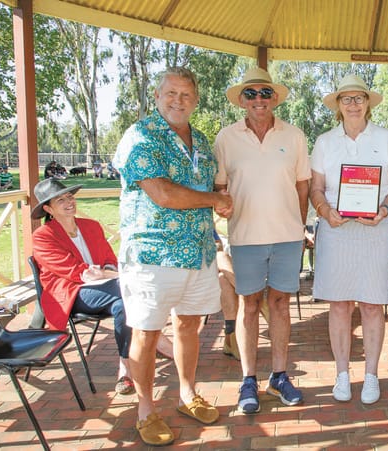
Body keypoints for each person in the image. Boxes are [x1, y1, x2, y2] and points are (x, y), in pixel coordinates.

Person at [113, 67, 232, 446]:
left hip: (197, 252)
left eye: (185, 95)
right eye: (171, 94)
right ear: (158, 96)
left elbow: (214, 184)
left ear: (195, 101)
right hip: (152, 254)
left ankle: (186, 393)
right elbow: (162, 193)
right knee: (146, 333)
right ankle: (145, 410)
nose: (178, 101)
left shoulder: (201, 140)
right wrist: (215, 200)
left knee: (189, 326)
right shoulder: (141, 135)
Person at [214, 67, 310, 414]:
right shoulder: (226, 138)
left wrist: (298, 227)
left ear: (275, 98)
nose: (259, 99)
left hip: (287, 237)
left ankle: (280, 376)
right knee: (249, 305)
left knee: (281, 305)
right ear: (242, 99)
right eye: (251, 93)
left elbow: (303, 186)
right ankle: (248, 381)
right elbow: (219, 187)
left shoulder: (295, 136)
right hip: (245, 238)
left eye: (265, 93)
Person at [309, 74, 388, 405]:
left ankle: (371, 375)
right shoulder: (324, 142)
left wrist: (383, 209)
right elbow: (316, 189)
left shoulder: (387, 138)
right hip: (337, 230)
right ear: (338, 105)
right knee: (339, 304)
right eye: (346, 99)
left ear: (368, 102)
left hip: (376, 229)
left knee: (371, 304)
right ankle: (341, 374)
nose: (353, 104)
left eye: (359, 98)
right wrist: (324, 210)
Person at [30, 177, 173, 395]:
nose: (69, 202)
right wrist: (116, 275)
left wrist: (109, 271)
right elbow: (76, 272)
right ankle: (156, 340)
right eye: (60, 200)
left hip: (109, 287)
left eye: (70, 196)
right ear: (48, 208)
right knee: (131, 287)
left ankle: (125, 369)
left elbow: (108, 259)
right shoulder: (42, 236)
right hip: (72, 294)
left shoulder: (91, 226)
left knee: (123, 304)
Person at [214, 232, 270, 361]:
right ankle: (259, 300)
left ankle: (231, 339)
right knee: (221, 257)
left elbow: (218, 245)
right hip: (199, 272)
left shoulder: (206, 224)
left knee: (224, 279)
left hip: (220, 273)